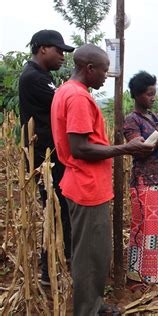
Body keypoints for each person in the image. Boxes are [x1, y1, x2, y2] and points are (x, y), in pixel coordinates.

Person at [51, 44, 154, 316]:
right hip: (86, 187)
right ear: (89, 69)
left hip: (82, 184)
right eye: (104, 71)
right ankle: (87, 310)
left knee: (94, 253)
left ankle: (94, 305)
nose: (106, 77)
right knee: (89, 257)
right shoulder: (78, 98)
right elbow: (81, 148)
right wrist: (125, 149)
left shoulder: (65, 91)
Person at [19, 29, 75, 285]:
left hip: (53, 157)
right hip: (45, 159)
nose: (63, 56)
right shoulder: (33, 77)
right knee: (54, 210)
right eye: (59, 50)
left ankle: (61, 262)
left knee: (60, 209)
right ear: (43, 48)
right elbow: (63, 105)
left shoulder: (43, 76)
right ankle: (48, 272)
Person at [123, 71, 158, 285]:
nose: (153, 98)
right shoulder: (131, 121)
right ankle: (140, 274)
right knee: (146, 227)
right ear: (136, 95)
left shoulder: (152, 118)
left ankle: (157, 270)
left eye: (154, 94)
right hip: (145, 180)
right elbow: (142, 150)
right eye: (149, 94)